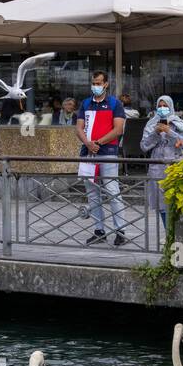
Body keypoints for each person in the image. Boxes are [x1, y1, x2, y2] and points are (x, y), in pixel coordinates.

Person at [76, 70, 127, 247]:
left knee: (112, 191)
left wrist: (98, 142)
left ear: (106, 84)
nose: (95, 86)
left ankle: (120, 231)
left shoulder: (115, 103)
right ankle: (99, 231)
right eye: (93, 83)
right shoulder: (85, 103)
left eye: (99, 83)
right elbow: (79, 127)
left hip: (108, 153)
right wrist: (88, 144)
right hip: (88, 153)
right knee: (92, 194)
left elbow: (118, 129)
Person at [140, 95, 183, 237]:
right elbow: (144, 146)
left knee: (178, 202)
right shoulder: (151, 124)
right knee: (162, 206)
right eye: (160, 106)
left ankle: (178, 234)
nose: (162, 108)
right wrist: (156, 132)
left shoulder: (178, 122)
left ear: (171, 107)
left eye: (165, 106)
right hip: (157, 168)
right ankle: (169, 236)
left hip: (176, 166)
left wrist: (169, 131)